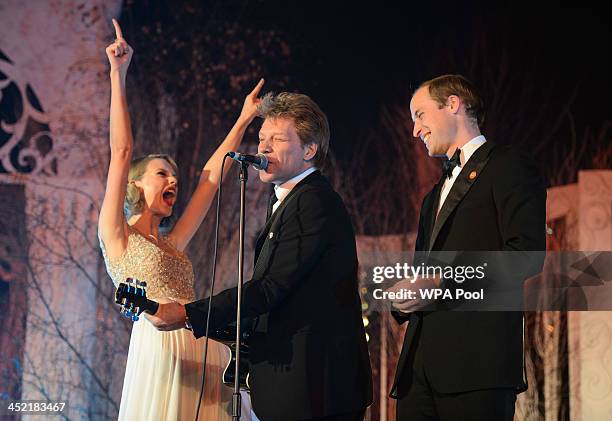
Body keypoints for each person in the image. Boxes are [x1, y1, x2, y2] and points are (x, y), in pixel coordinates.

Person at [147, 92, 373, 420]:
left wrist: (187, 313)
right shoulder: (287, 200)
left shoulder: (313, 203)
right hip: (295, 386)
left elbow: (269, 288)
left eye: (277, 139)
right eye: (261, 137)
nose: (263, 148)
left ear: (310, 150)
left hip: (315, 390)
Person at [98, 19, 263, 421]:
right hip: (162, 352)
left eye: (174, 175)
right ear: (135, 183)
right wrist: (118, 74)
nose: (174, 179)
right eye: (161, 173)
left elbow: (211, 178)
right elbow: (121, 150)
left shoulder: (172, 244)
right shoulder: (117, 235)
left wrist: (243, 121)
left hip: (203, 352)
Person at [388, 74, 546, 420]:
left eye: (420, 115)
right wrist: (404, 296)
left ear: (454, 104)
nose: (415, 130)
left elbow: (526, 256)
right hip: (418, 372)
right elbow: (423, 273)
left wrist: (443, 281)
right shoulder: (432, 197)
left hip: (478, 367)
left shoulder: (508, 166)